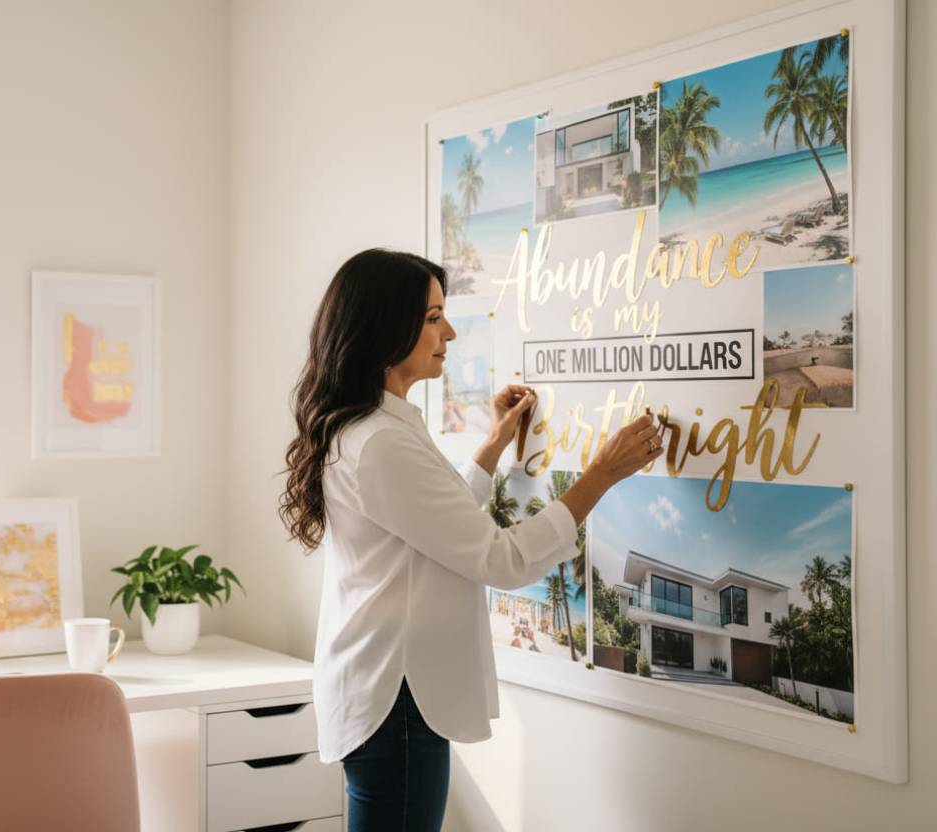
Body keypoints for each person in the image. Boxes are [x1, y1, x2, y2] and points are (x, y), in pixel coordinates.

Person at [278, 249, 663, 831]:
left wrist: (491, 446)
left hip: (385, 695)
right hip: (396, 702)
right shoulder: (381, 440)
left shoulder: (370, 428)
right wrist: (601, 474)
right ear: (385, 328)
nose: (450, 333)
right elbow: (498, 558)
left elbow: (432, 525)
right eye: (434, 318)